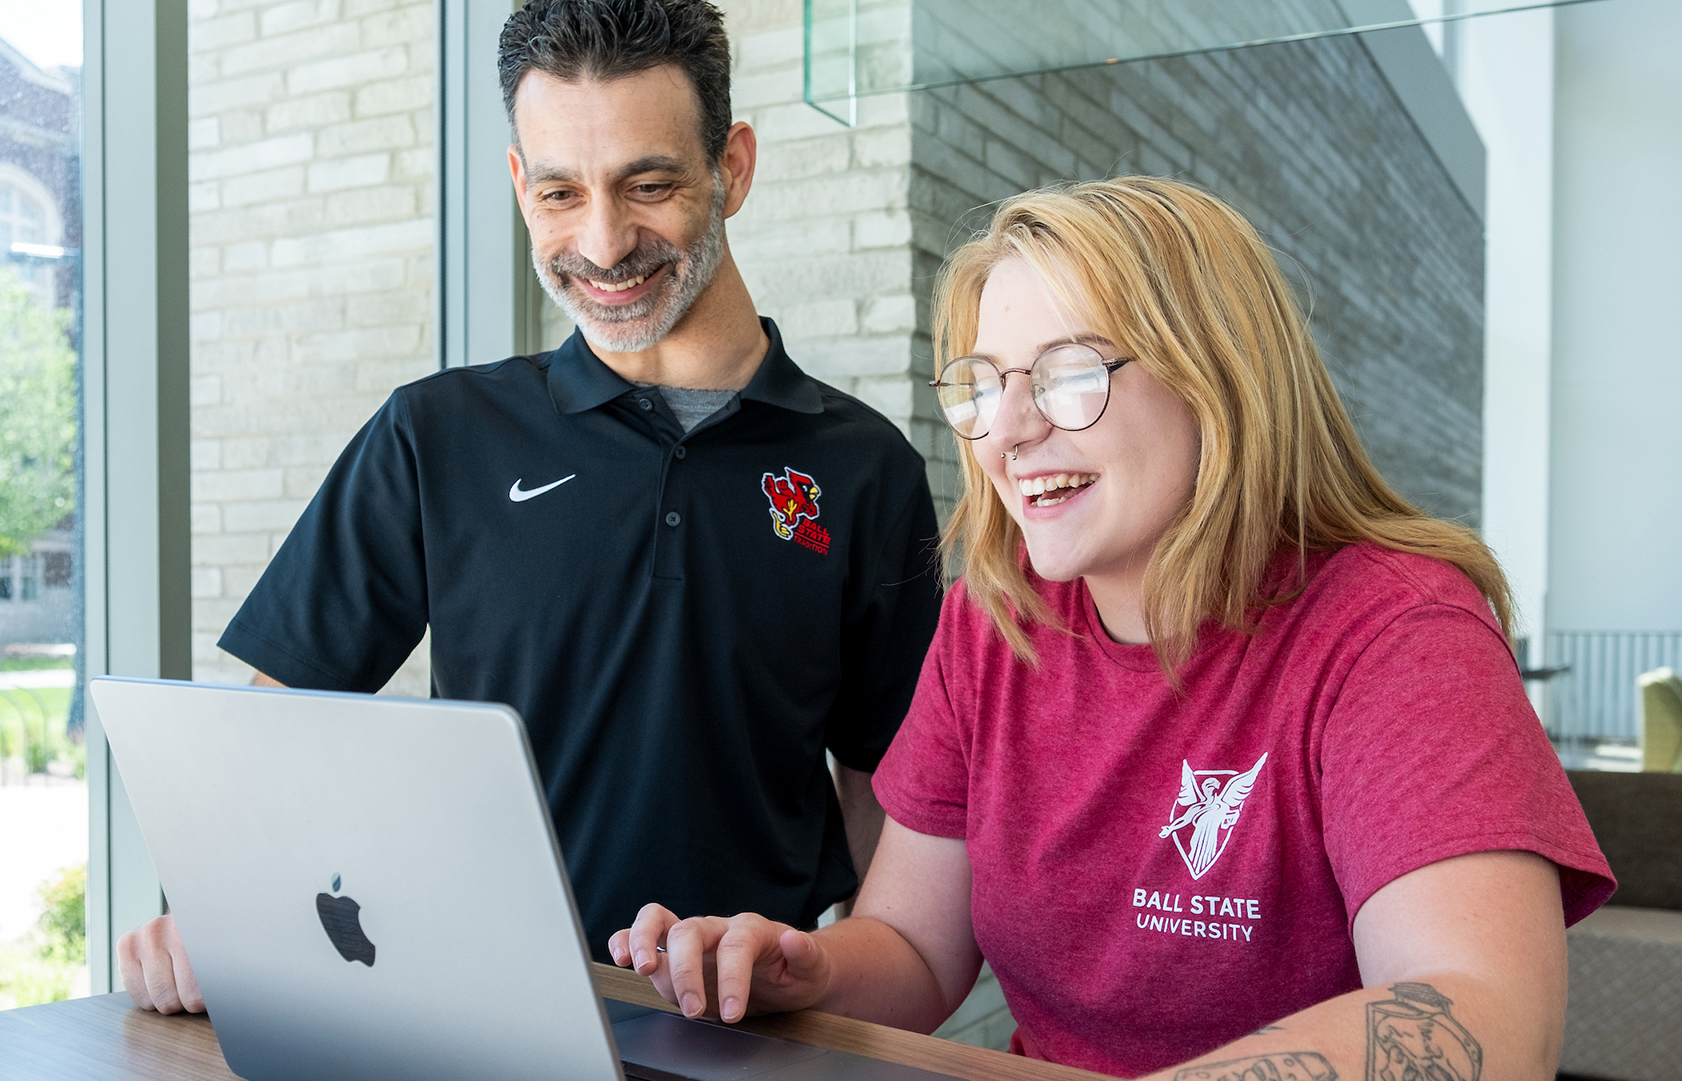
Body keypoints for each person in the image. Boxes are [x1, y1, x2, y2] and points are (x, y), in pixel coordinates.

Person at [612, 178, 1614, 1081]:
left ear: (1217, 377)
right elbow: (915, 951)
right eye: (987, 384)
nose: (1005, 432)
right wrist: (806, 970)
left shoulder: (1396, 631)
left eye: (1067, 375)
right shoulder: (991, 623)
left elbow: (1479, 1014)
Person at [115, 0, 943, 1013]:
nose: (602, 242)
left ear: (732, 166)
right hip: (471, 1018)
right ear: (518, 184)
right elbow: (276, 736)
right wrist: (218, 909)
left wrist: (855, 1012)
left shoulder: (867, 473)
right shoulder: (435, 434)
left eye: (648, 184)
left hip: (744, 1033)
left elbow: (896, 837)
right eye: (559, 191)